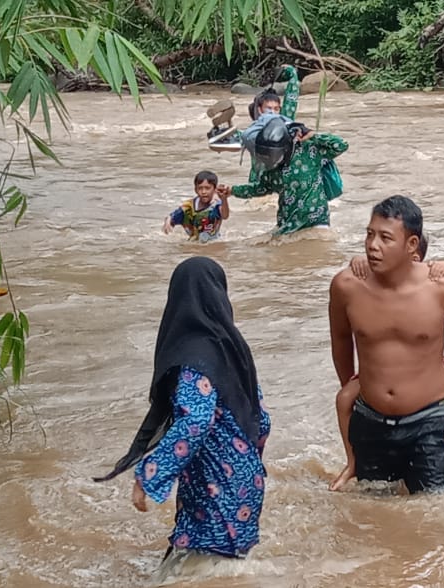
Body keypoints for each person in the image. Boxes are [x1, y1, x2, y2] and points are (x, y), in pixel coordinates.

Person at [93, 257, 271, 561]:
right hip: (245, 484)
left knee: (200, 566)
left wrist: (148, 475)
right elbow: (262, 420)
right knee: (221, 568)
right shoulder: (230, 348)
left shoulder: (193, 358)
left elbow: (196, 421)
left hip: (217, 489)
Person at [327, 196, 444, 494]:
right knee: (371, 518)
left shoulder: (442, 287)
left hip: (429, 420)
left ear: (412, 245)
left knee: (432, 519)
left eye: (385, 238)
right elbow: (340, 340)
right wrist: (355, 385)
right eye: (369, 234)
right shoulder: (346, 286)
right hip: (370, 419)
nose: (373, 245)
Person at [218, 65, 349, 237]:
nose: (272, 112)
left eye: (276, 109)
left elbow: (341, 144)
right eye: (268, 108)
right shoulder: (256, 141)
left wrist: (313, 135)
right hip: (286, 226)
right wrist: (232, 191)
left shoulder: (308, 149)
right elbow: (259, 188)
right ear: (259, 109)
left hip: (316, 223)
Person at [162, 171, 230, 243]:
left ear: (215, 189)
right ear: (195, 190)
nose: (203, 192)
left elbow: (225, 215)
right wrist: (168, 221)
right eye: (200, 188)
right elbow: (172, 217)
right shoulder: (188, 207)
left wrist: (224, 199)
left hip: (214, 242)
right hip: (194, 242)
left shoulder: (217, 204)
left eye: (207, 188)